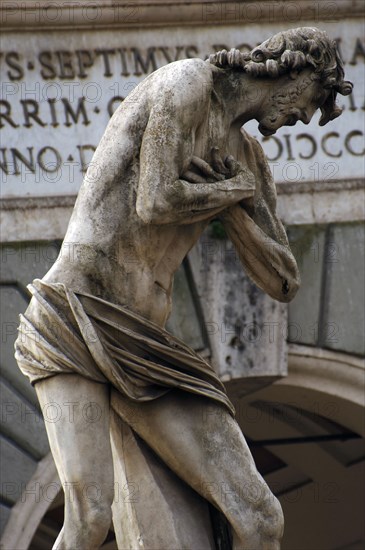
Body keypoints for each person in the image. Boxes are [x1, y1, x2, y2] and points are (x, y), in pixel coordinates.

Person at [15, 27, 352, 549]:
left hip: (148, 345)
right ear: (293, 72)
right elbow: (155, 199)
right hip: (75, 314)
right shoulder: (187, 83)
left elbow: (284, 279)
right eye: (313, 99)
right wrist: (229, 191)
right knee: (89, 516)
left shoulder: (248, 160)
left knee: (261, 518)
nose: (306, 117)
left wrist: (235, 205)